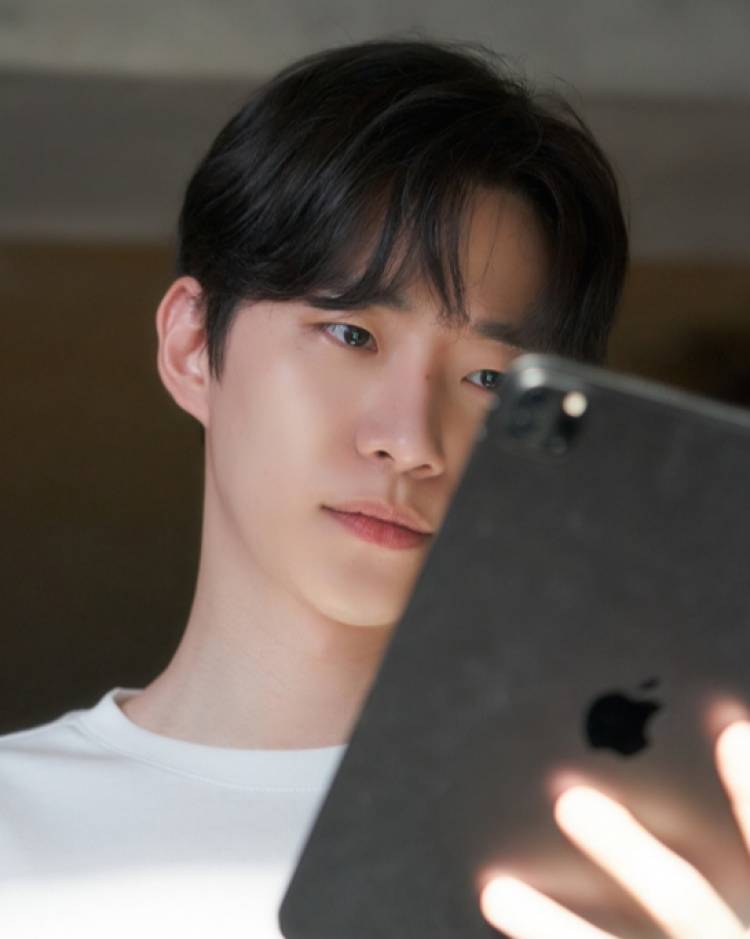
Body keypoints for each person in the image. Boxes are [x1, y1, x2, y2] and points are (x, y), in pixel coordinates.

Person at [1, 37, 748, 939]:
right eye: (352, 335)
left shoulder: (630, 856)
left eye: (488, 378)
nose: (410, 441)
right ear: (193, 346)